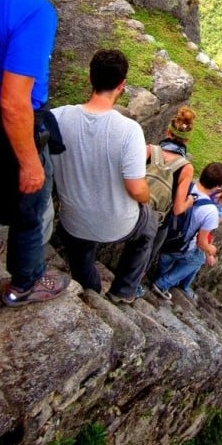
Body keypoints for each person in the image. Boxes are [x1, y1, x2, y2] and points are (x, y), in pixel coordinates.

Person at [0, 0, 85, 307]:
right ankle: (25, 283)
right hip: (2, 120)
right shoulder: (34, 10)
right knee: (31, 203)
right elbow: (15, 102)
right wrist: (29, 162)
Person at [51, 49, 158, 304]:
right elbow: (136, 189)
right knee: (149, 225)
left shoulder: (57, 117)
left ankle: (91, 290)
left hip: (73, 222)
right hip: (118, 225)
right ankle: (123, 290)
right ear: (121, 86)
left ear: (90, 77)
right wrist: (146, 197)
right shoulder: (129, 131)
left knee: (80, 254)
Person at [152, 162, 222, 302]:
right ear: (218, 186)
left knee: (166, 257)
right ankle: (161, 284)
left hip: (164, 236)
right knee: (199, 259)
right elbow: (201, 243)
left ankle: (158, 277)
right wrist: (211, 249)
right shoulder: (210, 211)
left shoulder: (185, 186)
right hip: (180, 246)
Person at [148, 106, 196, 256]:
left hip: (132, 209)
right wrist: (190, 201)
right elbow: (178, 209)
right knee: (145, 256)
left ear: (168, 132)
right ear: (187, 140)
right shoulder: (186, 168)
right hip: (155, 222)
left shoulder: (149, 150)